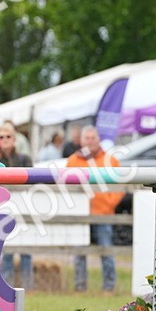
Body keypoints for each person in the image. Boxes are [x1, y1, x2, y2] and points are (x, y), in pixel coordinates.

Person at [69, 125, 121, 294]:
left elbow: (121, 186)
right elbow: (65, 187)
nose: (90, 141)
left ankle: (109, 287)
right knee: (79, 252)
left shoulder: (111, 161)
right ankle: (80, 286)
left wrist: (109, 203)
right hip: (80, 215)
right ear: (81, 141)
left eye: (93, 138)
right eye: (87, 138)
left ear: (98, 140)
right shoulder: (72, 161)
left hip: (103, 214)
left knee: (106, 251)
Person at [0, 121, 33, 286]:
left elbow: (31, 184)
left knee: (26, 248)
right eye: (1, 137)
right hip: (2, 209)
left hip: (23, 208)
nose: (5, 140)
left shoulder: (24, 159)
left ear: (14, 139)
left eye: (8, 136)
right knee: (6, 249)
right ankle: (5, 284)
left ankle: (28, 284)